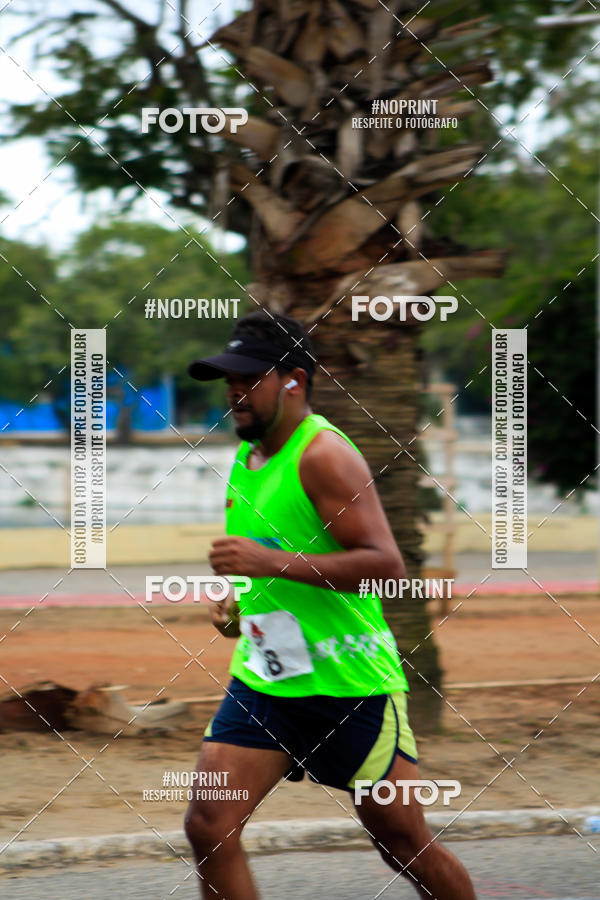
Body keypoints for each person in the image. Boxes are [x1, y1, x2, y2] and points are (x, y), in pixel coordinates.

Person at [184, 310, 475, 899]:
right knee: (209, 827)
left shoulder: (323, 455)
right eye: (227, 380)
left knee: (402, 842)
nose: (233, 391)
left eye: (248, 377)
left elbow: (384, 565)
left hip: (350, 687)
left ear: (293, 378)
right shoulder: (250, 456)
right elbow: (273, 558)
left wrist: (268, 566)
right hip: (268, 684)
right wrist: (240, 605)